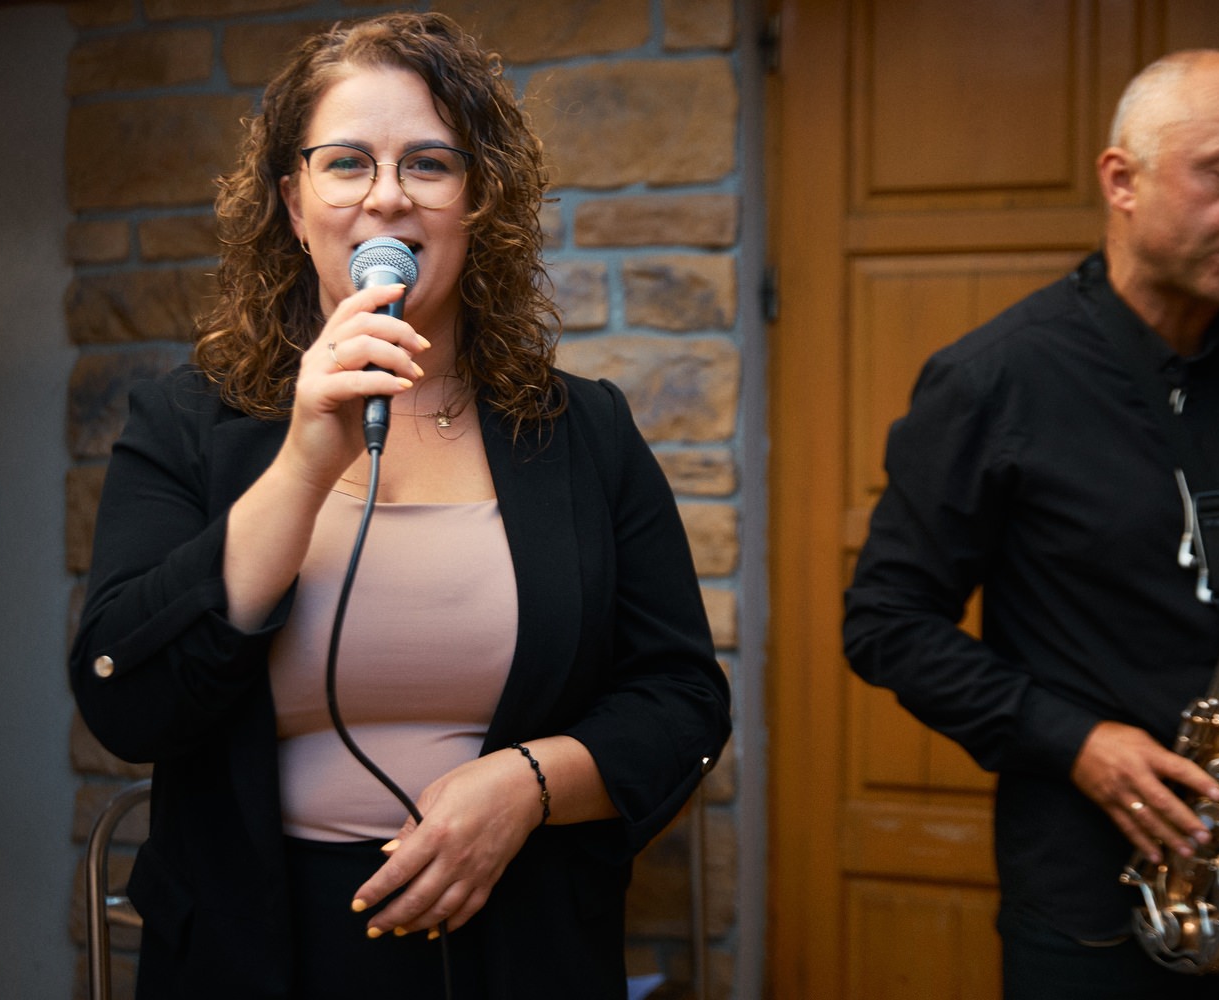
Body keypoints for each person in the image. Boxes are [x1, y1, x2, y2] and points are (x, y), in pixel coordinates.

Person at [68, 12, 731, 999]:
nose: (387, 194)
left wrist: (528, 786)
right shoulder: (185, 423)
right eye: (346, 163)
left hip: (517, 947)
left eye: (429, 163)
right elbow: (125, 699)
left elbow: (683, 701)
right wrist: (303, 460)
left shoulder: (583, 431)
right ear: (295, 206)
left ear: (478, 202)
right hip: (256, 954)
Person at [843, 49, 1219, 999]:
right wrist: (1076, 741)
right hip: (1091, 896)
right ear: (1121, 180)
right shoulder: (994, 379)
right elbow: (887, 623)